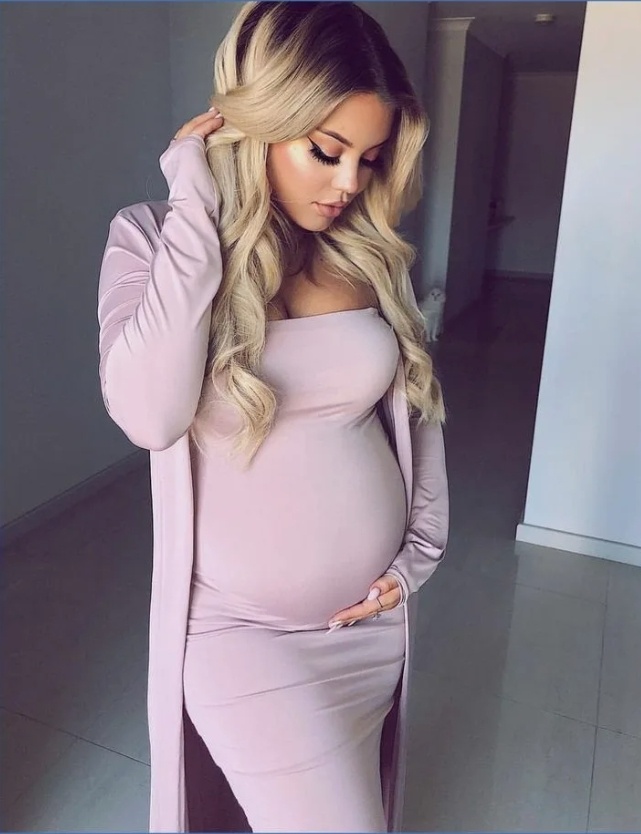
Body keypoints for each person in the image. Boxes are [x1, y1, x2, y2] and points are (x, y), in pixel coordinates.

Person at [97, 3, 449, 832]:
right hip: (241, 636)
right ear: (257, 123)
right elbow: (150, 414)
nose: (349, 184)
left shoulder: (366, 256)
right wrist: (194, 200)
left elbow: (421, 420)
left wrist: (416, 559)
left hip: (368, 631)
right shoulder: (152, 240)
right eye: (326, 151)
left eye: (369, 158)